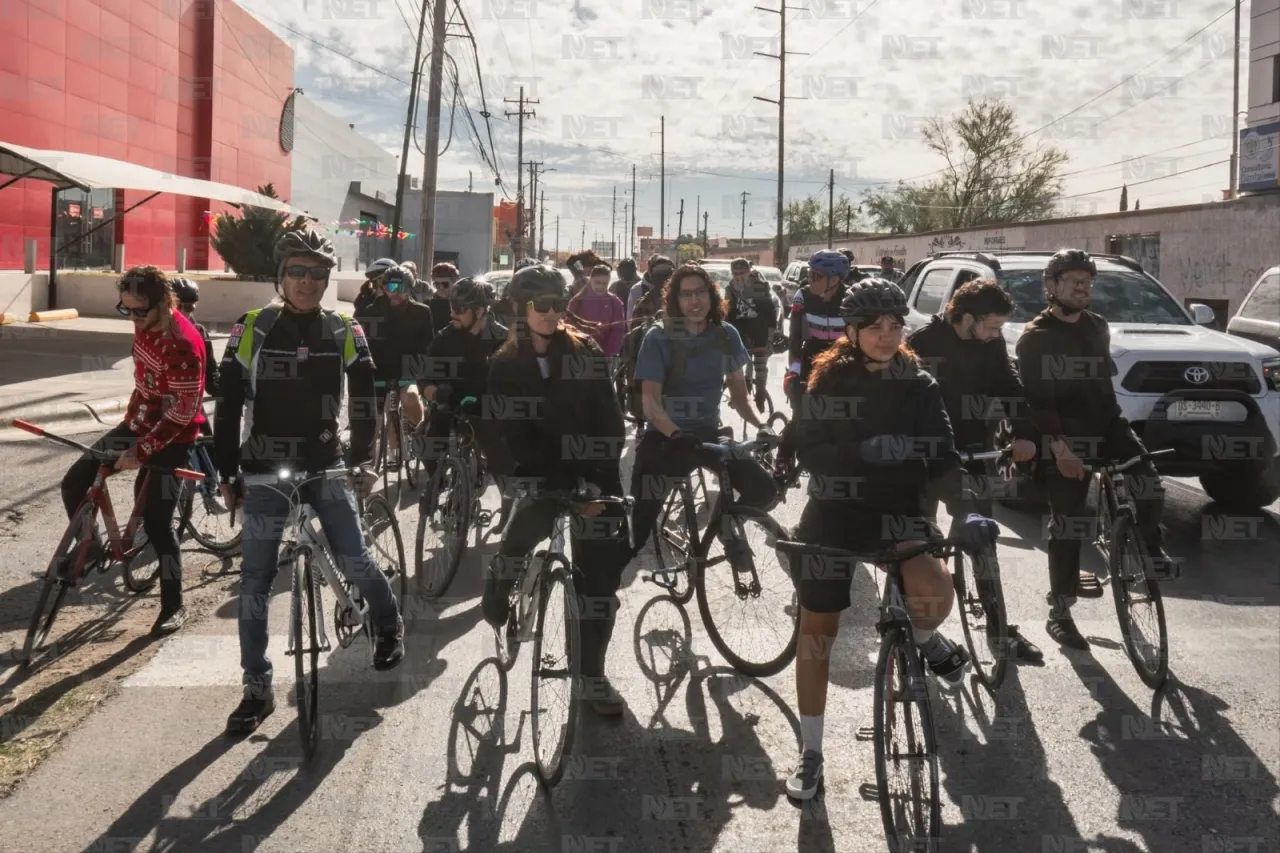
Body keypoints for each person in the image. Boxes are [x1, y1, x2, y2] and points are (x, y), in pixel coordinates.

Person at [784, 278, 999, 801]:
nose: (886, 335)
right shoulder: (827, 381)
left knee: (936, 592)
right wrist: (865, 453)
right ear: (852, 332)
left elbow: (943, 456)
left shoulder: (919, 384)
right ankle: (810, 751)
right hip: (834, 511)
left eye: (894, 325)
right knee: (818, 633)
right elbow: (811, 451)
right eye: (874, 327)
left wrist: (965, 508)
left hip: (900, 511)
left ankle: (924, 640)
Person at [216, 229, 404, 735]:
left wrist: (364, 459)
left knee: (354, 558)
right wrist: (227, 470)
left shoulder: (345, 328)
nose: (307, 281)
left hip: (325, 462)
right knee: (254, 581)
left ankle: (386, 623)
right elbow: (229, 401)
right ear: (281, 277)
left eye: (317, 274)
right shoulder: (253, 326)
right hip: (264, 468)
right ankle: (257, 688)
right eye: (297, 272)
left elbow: (364, 399)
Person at [481, 264, 632, 716]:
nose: (550, 313)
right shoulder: (504, 365)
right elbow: (509, 433)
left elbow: (610, 419)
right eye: (539, 305)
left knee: (602, 583)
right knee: (528, 524)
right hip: (539, 473)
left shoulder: (586, 351)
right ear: (521, 309)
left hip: (593, 473)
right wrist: (549, 480)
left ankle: (592, 676)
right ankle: (503, 575)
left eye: (556, 305)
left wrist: (594, 474)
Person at [1015, 249, 1177, 651]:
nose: (1083, 288)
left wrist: (1119, 433)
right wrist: (1061, 449)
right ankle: (1061, 609)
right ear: (1051, 286)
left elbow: (1103, 390)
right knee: (1067, 523)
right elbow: (1040, 404)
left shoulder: (1097, 325)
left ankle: (1148, 547)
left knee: (1150, 486)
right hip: (1064, 435)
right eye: (1073, 281)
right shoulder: (1036, 338)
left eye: (1088, 282)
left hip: (1107, 425)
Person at [59, 266, 206, 636]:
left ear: (163, 303)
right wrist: (132, 433)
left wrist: (142, 452)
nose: (133, 318)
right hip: (137, 421)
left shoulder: (183, 343)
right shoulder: (143, 323)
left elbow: (183, 410)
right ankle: (89, 547)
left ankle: (174, 606)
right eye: (125, 310)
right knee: (74, 480)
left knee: (158, 525)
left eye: (139, 310)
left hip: (175, 436)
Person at [907, 278, 1044, 663]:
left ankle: (1000, 634)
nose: (997, 333)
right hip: (927, 460)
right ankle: (915, 632)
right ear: (966, 317)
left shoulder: (992, 343)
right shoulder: (923, 343)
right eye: (992, 325)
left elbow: (1009, 385)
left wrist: (1024, 433)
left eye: (1000, 327)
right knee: (919, 547)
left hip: (975, 453)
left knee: (983, 543)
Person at [629, 263, 778, 563]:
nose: (694, 301)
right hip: (666, 437)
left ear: (712, 296)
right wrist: (675, 434)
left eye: (700, 293)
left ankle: (723, 524)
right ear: (675, 300)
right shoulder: (658, 338)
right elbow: (651, 403)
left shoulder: (726, 335)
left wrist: (763, 426)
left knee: (765, 490)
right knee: (638, 528)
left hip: (709, 436)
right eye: (686, 295)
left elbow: (740, 397)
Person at [419, 277, 515, 504]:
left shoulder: (502, 338)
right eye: (452, 307)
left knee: (496, 448)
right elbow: (424, 376)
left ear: (480, 310)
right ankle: (437, 482)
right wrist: (433, 392)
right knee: (427, 437)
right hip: (450, 404)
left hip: (486, 410)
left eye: (460, 309)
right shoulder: (444, 337)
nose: (453, 313)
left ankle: (510, 502)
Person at [353, 264, 435, 445]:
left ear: (410, 289)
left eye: (402, 289)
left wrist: (423, 373)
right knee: (373, 411)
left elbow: (428, 347)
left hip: (408, 369)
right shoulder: (371, 311)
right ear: (384, 288)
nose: (396, 293)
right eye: (391, 288)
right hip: (379, 368)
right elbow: (362, 345)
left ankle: (422, 433)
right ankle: (386, 451)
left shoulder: (422, 312)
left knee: (409, 397)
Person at [785, 250, 851, 411]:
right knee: (800, 415)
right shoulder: (803, 295)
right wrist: (793, 372)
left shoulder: (851, 299)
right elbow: (795, 338)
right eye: (809, 274)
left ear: (834, 280)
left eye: (816, 276)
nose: (810, 280)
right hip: (811, 359)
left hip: (842, 362)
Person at [724, 258, 779, 411]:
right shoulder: (730, 289)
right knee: (741, 366)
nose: (738, 276)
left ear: (749, 272)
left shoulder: (760, 286)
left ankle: (760, 399)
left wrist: (771, 337)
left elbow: (770, 314)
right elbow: (727, 313)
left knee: (760, 368)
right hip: (741, 334)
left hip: (760, 333)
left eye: (742, 273)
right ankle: (742, 394)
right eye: (735, 273)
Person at [172, 277, 221, 409]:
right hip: (159, 405)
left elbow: (211, 372)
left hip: (190, 405)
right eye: (177, 306)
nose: (182, 312)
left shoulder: (199, 332)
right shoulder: (153, 331)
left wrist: (226, 392)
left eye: (188, 307)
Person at [567, 263, 627, 359]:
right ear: (590, 279)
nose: (601, 286)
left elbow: (618, 330)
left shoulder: (615, 302)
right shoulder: (577, 301)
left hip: (606, 355)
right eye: (597, 282)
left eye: (604, 283)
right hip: (580, 353)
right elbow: (569, 327)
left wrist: (609, 353)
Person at [625, 254, 675, 327]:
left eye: (667, 274)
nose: (663, 279)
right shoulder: (644, 302)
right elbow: (634, 330)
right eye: (659, 275)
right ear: (651, 275)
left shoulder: (679, 299)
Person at [427, 262, 459, 331]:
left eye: (445, 284)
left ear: (454, 283)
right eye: (437, 285)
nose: (441, 288)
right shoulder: (428, 304)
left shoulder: (461, 303)